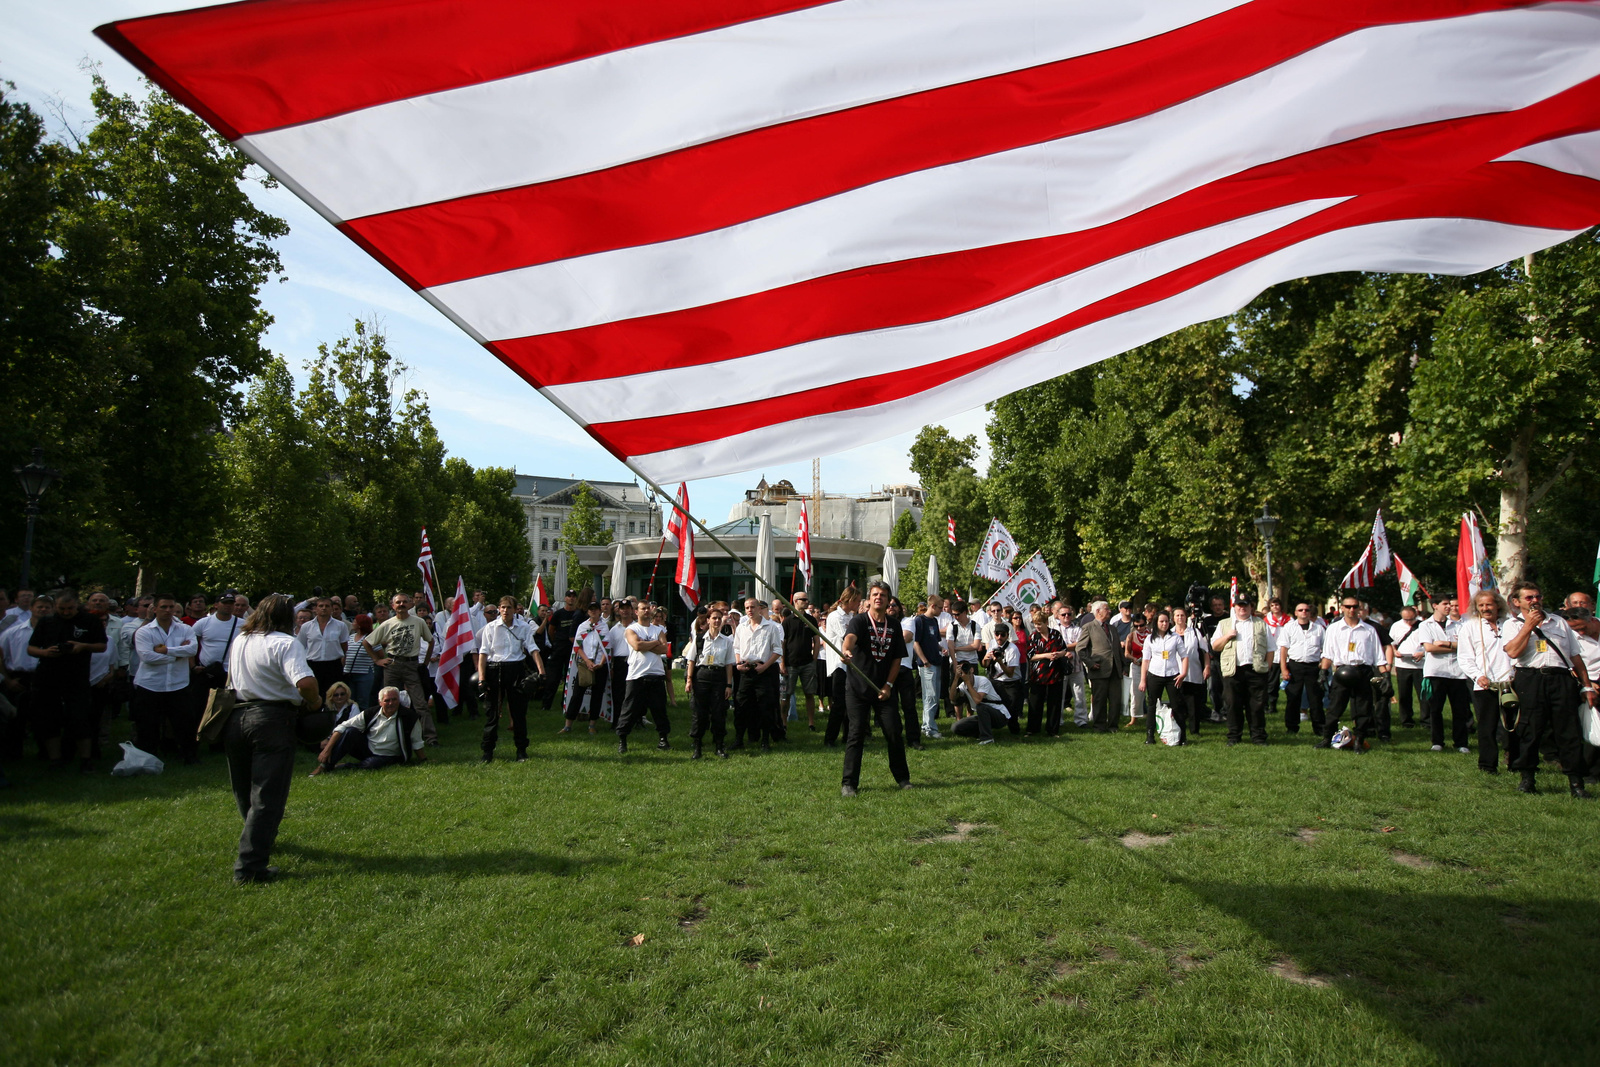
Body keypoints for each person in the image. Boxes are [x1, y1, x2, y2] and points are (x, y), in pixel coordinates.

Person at [224, 594, 321, 884]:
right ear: (288, 618)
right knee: (268, 795)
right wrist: (314, 702)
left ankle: (259, 839)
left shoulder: (242, 639)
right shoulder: (285, 642)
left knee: (244, 788)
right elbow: (304, 682)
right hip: (271, 719)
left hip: (236, 717)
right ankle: (250, 867)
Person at [1503, 581, 1593, 797]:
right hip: (1530, 678)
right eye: (1529, 598)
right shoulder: (1512, 625)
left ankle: (1576, 783)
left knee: (1568, 731)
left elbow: (1575, 656)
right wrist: (1528, 626)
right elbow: (1513, 652)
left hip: (1560, 679)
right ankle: (1528, 778)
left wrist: (1587, 686)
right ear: (1517, 602)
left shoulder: (1559, 622)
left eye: (1538, 597)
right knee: (1530, 730)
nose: (1535, 601)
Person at [839, 580, 911, 796]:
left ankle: (902, 778)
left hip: (883, 690)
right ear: (868, 600)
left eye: (883, 595)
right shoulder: (859, 621)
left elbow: (897, 659)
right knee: (856, 734)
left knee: (894, 732)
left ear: (889, 600)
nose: (878, 597)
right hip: (858, 689)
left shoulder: (895, 625)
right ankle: (849, 783)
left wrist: (888, 686)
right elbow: (849, 639)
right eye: (875, 594)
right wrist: (846, 651)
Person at [27, 590, 108, 773]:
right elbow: (31, 648)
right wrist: (45, 652)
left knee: (80, 718)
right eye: (61, 609)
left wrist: (83, 646)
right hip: (48, 675)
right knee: (50, 718)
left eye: (70, 608)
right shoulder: (47, 621)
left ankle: (85, 760)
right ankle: (55, 759)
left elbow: (102, 645)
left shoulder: (89, 621)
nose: (66, 612)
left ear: (77, 605)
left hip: (76, 676)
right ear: (55, 606)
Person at [132, 594, 200, 763]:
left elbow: (192, 650)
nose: (168, 611)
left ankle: (188, 756)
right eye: (163, 607)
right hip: (150, 684)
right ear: (154, 609)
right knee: (148, 725)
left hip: (178, 684)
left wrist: (167, 651)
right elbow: (147, 657)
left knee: (185, 723)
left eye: (171, 607)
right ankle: (147, 757)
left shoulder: (185, 629)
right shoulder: (144, 631)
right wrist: (177, 655)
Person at [363, 594, 438, 745]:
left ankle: (430, 738)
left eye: (404, 602)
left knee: (420, 703)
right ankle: (386, 736)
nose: (401, 604)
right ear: (393, 605)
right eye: (398, 602)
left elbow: (430, 641)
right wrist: (377, 660)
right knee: (388, 702)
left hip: (412, 665)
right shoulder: (387, 624)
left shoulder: (418, 622)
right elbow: (366, 642)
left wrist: (424, 663)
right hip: (392, 665)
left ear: (410, 604)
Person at [479, 596, 544, 762]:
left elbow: (533, 649)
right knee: (492, 714)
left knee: (519, 713)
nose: (505, 611)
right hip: (495, 669)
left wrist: (541, 672)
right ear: (499, 609)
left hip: (516, 669)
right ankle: (487, 752)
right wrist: (482, 678)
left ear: (515, 610)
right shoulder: (490, 628)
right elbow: (483, 654)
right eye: (502, 607)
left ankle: (521, 750)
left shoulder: (523, 627)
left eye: (508, 607)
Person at [1318, 596, 1388, 750]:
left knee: (1363, 709)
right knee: (1335, 708)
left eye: (1355, 606)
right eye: (1348, 607)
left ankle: (1359, 740)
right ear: (1342, 608)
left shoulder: (1369, 630)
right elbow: (1328, 653)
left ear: (1359, 608)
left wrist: (1386, 675)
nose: (1351, 610)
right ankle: (1326, 738)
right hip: (1342, 672)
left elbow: (1378, 655)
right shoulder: (1333, 628)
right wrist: (1323, 672)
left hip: (1363, 672)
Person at [311, 686, 425, 773]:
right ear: (380, 702)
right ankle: (325, 766)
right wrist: (327, 750)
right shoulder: (370, 713)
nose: (391, 703)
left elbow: (417, 742)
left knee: (372, 765)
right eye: (387, 700)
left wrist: (423, 760)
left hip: (390, 756)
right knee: (350, 731)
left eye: (394, 700)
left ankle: (345, 766)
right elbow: (342, 727)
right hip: (368, 750)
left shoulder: (410, 717)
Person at [1212, 593, 1271, 746]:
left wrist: (1267, 668)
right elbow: (1215, 646)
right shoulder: (1225, 624)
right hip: (1233, 670)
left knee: (1256, 706)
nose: (1242, 608)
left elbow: (1271, 649)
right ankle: (1234, 737)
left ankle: (1258, 737)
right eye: (1239, 605)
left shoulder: (1261, 623)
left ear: (1251, 607)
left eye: (1245, 605)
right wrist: (1227, 636)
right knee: (1232, 705)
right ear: (1234, 607)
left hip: (1255, 670)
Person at [1417, 597, 1471, 755]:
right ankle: (1437, 741)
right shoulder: (1425, 625)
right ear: (1435, 606)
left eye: (1450, 604)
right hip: (1436, 672)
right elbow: (1429, 647)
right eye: (1445, 604)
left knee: (1460, 710)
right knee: (1435, 709)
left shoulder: (1459, 625)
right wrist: (1454, 647)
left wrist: (1445, 644)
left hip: (1458, 672)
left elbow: (1467, 646)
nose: (1449, 607)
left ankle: (1461, 742)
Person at [616, 603, 671, 753]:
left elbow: (664, 648)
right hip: (637, 675)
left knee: (659, 710)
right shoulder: (631, 629)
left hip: (657, 675)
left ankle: (663, 739)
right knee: (629, 709)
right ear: (636, 612)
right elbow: (637, 646)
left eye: (648, 608)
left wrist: (646, 643)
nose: (647, 611)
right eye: (643, 609)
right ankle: (623, 740)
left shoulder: (658, 629)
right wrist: (655, 643)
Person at [733, 597, 783, 752]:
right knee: (741, 706)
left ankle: (765, 741)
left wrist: (765, 666)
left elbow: (777, 651)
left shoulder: (771, 627)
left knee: (765, 707)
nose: (749, 610)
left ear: (760, 608)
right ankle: (739, 739)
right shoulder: (742, 627)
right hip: (746, 671)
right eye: (747, 608)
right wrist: (738, 664)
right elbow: (737, 649)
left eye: (752, 607)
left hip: (763, 671)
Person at [685, 605, 734, 759]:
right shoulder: (700, 639)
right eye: (714, 618)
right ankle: (697, 747)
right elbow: (691, 660)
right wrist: (689, 680)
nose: (717, 621)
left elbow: (728, 665)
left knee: (719, 713)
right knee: (699, 713)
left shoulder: (726, 641)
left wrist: (728, 685)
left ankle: (719, 746)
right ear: (708, 620)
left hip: (719, 677)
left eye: (719, 618)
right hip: (702, 677)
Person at [1276, 602, 1326, 737]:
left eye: (1306, 610)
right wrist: (1284, 669)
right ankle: (1292, 727)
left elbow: (1325, 648)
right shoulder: (1289, 628)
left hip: (1313, 667)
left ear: (1310, 613)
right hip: (1295, 665)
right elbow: (1283, 649)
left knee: (1315, 699)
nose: (1304, 612)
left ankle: (1319, 727)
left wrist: (1323, 664)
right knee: (1293, 698)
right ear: (1296, 613)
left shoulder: (1319, 629)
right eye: (1301, 610)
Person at [562, 601, 610, 735]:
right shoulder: (583, 626)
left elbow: (607, 647)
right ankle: (568, 724)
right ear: (588, 612)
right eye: (591, 610)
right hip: (585, 664)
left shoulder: (604, 627)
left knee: (597, 695)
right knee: (577, 694)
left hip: (600, 665)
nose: (593, 612)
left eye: (595, 609)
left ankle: (592, 724)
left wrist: (600, 663)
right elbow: (578, 646)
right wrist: (587, 661)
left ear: (599, 611)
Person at [1140, 610, 1186, 745]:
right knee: (1153, 705)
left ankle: (1182, 737)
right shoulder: (1150, 639)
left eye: (1166, 621)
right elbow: (1146, 660)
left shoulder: (1175, 637)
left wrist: (1183, 673)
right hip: (1155, 674)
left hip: (1172, 675)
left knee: (1177, 705)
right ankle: (1150, 736)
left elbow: (1184, 656)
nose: (1164, 624)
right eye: (1161, 621)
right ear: (1156, 622)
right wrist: (1143, 679)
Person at [1075, 601, 1121, 733]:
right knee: (1099, 700)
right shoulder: (1089, 627)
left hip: (1115, 669)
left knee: (1115, 700)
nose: (1109, 611)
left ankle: (1113, 726)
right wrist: (1090, 663)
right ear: (1098, 611)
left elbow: (1117, 649)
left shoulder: (1112, 628)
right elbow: (1080, 649)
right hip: (1099, 669)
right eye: (1106, 609)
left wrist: (1123, 665)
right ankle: (1099, 726)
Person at [821, 588, 858, 746]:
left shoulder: (851, 616)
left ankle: (848, 736)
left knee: (850, 704)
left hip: (850, 665)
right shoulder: (835, 616)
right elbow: (848, 637)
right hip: (839, 665)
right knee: (839, 704)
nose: (858, 604)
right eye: (857, 601)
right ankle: (830, 738)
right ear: (849, 600)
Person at [1025, 604, 1068, 737]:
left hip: (1055, 673)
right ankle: (1033, 729)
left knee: (1054, 703)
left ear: (1046, 622)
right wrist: (1046, 655)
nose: (1037, 626)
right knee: (1036, 703)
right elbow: (1030, 656)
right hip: (1038, 674)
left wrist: (1059, 654)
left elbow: (1064, 649)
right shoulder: (1033, 637)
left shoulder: (1056, 634)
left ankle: (1053, 729)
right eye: (1035, 624)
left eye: (1040, 624)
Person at [781, 592, 821, 731]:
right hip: (790, 663)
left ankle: (811, 723)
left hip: (807, 663)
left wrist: (814, 659)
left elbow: (816, 640)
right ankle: (784, 723)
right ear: (795, 601)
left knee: (809, 693)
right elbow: (783, 644)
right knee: (786, 695)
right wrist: (782, 663)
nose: (806, 601)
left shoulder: (811, 620)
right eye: (803, 599)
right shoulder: (787, 621)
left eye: (807, 599)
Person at [889, 597, 923, 750]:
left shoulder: (908, 621)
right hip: (887, 670)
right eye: (889, 605)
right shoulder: (882, 623)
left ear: (900, 608)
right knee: (891, 707)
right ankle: (895, 738)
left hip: (904, 668)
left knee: (909, 705)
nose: (891, 608)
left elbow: (907, 637)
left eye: (894, 605)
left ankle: (913, 739)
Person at [298, 597, 350, 696]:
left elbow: (344, 646)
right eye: (321, 606)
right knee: (315, 693)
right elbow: (301, 646)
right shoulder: (306, 626)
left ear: (331, 608)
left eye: (327, 606)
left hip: (333, 665)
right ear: (316, 609)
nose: (324, 608)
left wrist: (343, 658)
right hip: (313, 665)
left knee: (334, 693)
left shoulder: (341, 626)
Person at [950, 660, 1011, 744]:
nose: (964, 670)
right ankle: (980, 733)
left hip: (1000, 715)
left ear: (971, 669)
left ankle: (987, 738)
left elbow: (978, 700)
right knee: (956, 727)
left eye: (965, 667)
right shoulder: (963, 686)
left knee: (981, 706)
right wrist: (956, 678)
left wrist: (967, 681)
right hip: (983, 716)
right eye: (961, 669)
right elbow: (952, 698)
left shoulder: (982, 680)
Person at [912, 595, 946, 739]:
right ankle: (929, 728)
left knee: (934, 696)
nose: (941, 610)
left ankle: (928, 725)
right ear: (932, 606)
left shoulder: (934, 621)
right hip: (927, 665)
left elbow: (933, 640)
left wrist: (940, 649)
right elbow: (915, 643)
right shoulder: (920, 621)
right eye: (940, 608)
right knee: (930, 696)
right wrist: (924, 661)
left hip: (936, 661)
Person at [1171, 607, 1207, 739]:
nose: (1180, 618)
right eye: (1177, 616)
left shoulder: (1195, 632)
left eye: (1182, 615)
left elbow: (1205, 651)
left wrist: (1207, 667)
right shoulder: (1170, 634)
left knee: (1194, 704)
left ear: (1186, 617)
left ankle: (1194, 729)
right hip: (1175, 673)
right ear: (1173, 618)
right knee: (1178, 703)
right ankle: (1178, 728)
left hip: (1193, 673)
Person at [1389, 604, 1427, 729]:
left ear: (1416, 615)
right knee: (1404, 694)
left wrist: (1422, 653)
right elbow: (1392, 643)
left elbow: (1429, 644)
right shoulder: (1396, 626)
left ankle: (1426, 720)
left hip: (1420, 665)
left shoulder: (1423, 625)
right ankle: (1406, 720)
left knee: (1423, 695)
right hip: (1402, 665)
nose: (1409, 622)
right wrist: (1395, 652)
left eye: (1411, 619)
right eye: (1406, 619)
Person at [983, 620, 1024, 733]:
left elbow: (1010, 673)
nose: (999, 637)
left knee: (1011, 709)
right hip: (996, 680)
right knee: (991, 705)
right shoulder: (992, 644)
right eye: (997, 634)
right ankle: (990, 728)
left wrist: (1000, 662)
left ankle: (1014, 732)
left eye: (1002, 634)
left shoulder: (1013, 649)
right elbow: (984, 665)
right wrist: (986, 658)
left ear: (1007, 635)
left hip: (1011, 683)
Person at [543, 591, 580, 710]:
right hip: (559, 648)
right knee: (553, 678)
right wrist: (556, 642)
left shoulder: (578, 614)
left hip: (572, 649)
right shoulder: (558, 614)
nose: (571, 599)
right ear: (565, 598)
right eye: (569, 596)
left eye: (574, 597)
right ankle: (546, 704)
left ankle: (566, 703)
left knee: (570, 678)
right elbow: (551, 630)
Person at [342, 614, 378, 709]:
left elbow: (380, 654)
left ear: (360, 624)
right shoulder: (350, 637)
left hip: (364, 673)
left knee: (363, 700)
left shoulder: (370, 638)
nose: (352, 623)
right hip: (349, 673)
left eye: (355, 621)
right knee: (349, 700)